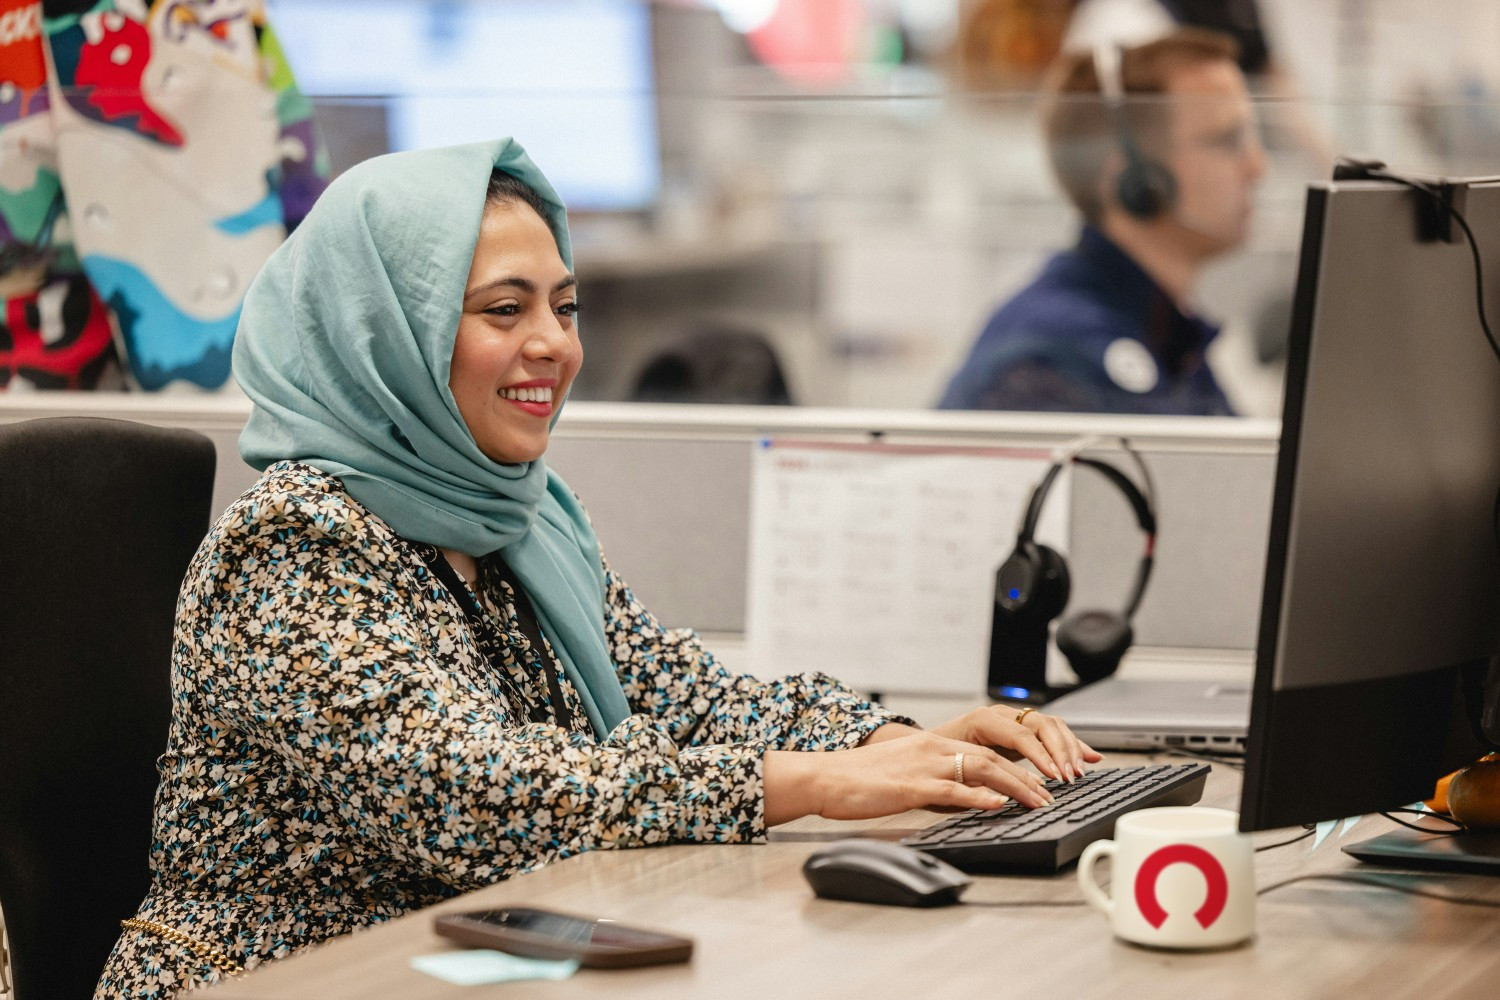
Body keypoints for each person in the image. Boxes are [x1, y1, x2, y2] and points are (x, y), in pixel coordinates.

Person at [94, 138, 1101, 996]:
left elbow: (690, 697)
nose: (554, 346)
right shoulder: (294, 545)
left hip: (467, 959)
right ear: (383, 333)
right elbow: (469, 794)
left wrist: (899, 741)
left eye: (565, 307)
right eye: (503, 310)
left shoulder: (518, 520)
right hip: (272, 977)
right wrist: (814, 784)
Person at [939, 28, 1266, 414]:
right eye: (1226, 140)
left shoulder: (1166, 336)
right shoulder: (1054, 360)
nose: (1256, 167)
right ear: (1135, 179)